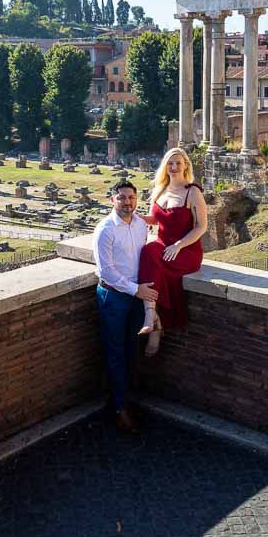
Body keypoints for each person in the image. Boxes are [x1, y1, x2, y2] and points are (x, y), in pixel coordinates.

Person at [93, 180, 157, 434]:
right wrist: (136, 290)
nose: (127, 202)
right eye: (121, 197)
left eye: (131, 197)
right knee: (115, 353)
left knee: (131, 350)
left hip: (134, 295)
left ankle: (123, 400)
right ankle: (119, 409)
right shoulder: (105, 230)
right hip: (114, 297)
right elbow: (106, 272)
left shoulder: (141, 225)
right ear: (112, 200)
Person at [137, 147, 208, 357]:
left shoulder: (192, 191)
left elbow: (201, 227)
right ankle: (154, 318)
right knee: (149, 252)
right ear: (165, 166)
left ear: (186, 165)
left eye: (178, 163)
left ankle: (154, 321)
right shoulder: (160, 189)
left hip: (186, 251)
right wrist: (133, 215)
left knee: (152, 258)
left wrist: (178, 245)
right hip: (162, 246)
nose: (174, 167)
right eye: (170, 163)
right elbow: (153, 220)